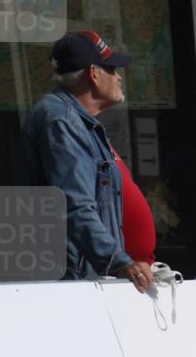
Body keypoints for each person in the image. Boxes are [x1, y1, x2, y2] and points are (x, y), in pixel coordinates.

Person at [22, 30, 154, 292]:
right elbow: (75, 205)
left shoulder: (76, 122)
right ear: (93, 73)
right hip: (78, 282)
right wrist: (119, 262)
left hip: (89, 278)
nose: (118, 77)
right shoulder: (62, 121)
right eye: (112, 69)